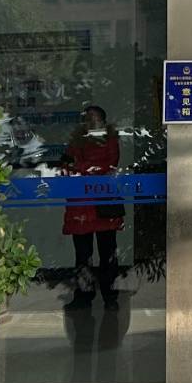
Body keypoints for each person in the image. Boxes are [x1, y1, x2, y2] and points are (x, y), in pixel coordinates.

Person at [62, 105, 123, 311]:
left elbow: (110, 165)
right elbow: (65, 165)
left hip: (103, 202)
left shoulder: (111, 140)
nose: (90, 123)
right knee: (82, 254)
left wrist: (82, 167)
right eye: (87, 119)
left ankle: (110, 296)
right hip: (80, 205)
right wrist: (84, 168)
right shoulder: (75, 142)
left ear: (103, 122)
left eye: (94, 119)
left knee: (108, 254)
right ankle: (83, 296)